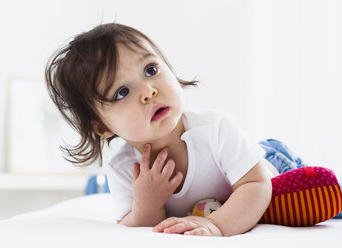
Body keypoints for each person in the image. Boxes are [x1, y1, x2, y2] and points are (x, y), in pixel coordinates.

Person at [44, 23, 307, 236]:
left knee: (314, 194)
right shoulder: (124, 168)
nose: (148, 91)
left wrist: (216, 225)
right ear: (101, 126)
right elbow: (133, 226)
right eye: (122, 92)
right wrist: (147, 205)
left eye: (151, 69)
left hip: (269, 164)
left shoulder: (215, 129)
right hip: (216, 200)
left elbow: (256, 184)